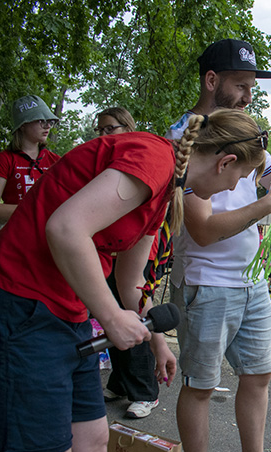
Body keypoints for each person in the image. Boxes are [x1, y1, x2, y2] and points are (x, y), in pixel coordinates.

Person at [0, 108, 265, 452]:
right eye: (240, 177)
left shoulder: (165, 194)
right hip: (17, 307)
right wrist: (108, 315)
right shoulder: (152, 158)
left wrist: (156, 342)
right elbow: (66, 228)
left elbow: (130, 283)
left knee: (91, 449)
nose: (236, 185)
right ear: (225, 162)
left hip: (65, 316)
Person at [167, 38, 271, 452]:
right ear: (212, 82)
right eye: (241, 86)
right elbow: (201, 230)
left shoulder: (245, 132)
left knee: (259, 375)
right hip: (206, 281)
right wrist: (269, 204)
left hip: (250, 281)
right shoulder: (182, 139)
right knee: (202, 385)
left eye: (251, 87)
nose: (249, 95)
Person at [91, 107, 164, 419]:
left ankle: (146, 391)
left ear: (128, 128)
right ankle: (121, 382)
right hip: (111, 255)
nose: (104, 135)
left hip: (137, 256)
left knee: (132, 317)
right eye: (100, 129)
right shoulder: (106, 161)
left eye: (111, 128)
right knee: (113, 320)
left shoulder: (141, 160)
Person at [0, 95, 60, 232]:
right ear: (23, 125)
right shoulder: (4, 160)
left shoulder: (56, 161)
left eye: (49, 121)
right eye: (41, 120)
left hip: (45, 235)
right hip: (12, 234)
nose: (47, 126)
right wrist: (35, 210)